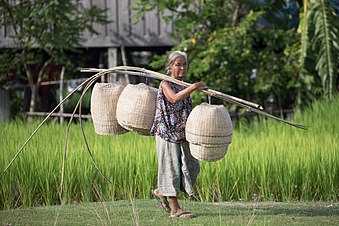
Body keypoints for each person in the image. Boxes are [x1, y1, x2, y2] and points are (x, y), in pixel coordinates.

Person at [150, 50, 208, 218]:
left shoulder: (184, 85)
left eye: (184, 64)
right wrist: (194, 87)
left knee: (191, 165)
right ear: (170, 67)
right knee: (171, 168)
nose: (182, 68)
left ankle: (162, 191)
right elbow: (174, 98)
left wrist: (195, 89)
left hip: (182, 132)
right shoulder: (165, 83)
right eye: (178, 64)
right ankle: (175, 209)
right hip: (167, 132)